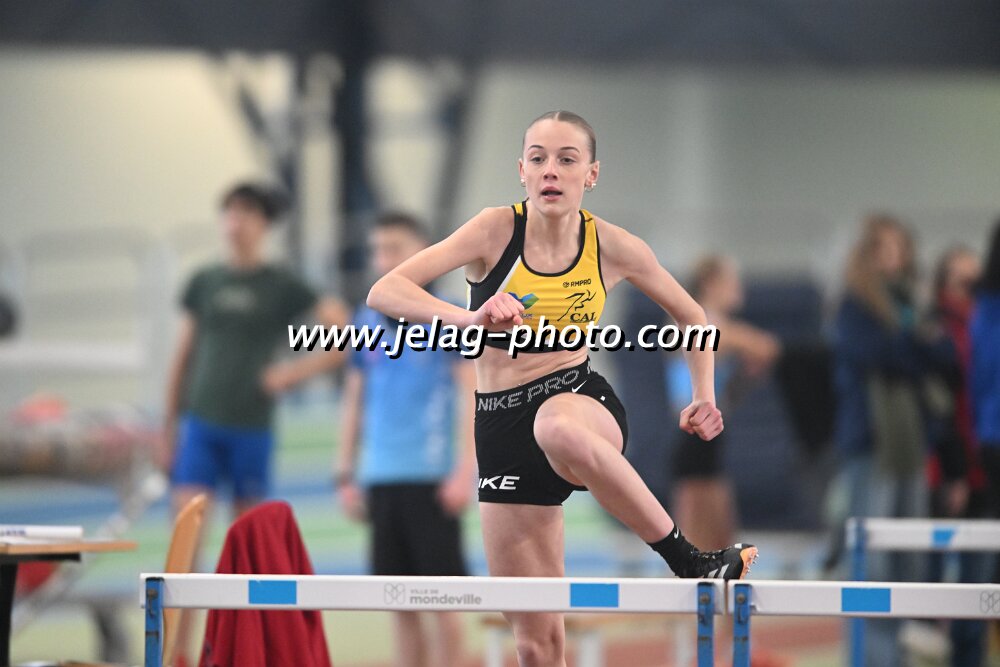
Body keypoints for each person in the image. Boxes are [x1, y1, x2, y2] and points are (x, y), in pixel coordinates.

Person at [367, 111, 757, 666]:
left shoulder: (612, 245)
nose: (551, 170)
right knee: (537, 641)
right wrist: (470, 320)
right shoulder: (493, 230)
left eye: (567, 159)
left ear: (591, 174)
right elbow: (385, 290)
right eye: (538, 158)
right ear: (522, 171)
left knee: (554, 425)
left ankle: (689, 560)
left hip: (579, 399)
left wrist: (703, 394)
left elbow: (693, 316)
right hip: (500, 424)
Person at [159, 182, 347, 665]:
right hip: (201, 426)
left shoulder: (281, 285)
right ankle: (178, 654)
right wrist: (167, 429)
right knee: (186, 546)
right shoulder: (205, 281)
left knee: (247, 547)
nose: (234, 223)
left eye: (244, 213)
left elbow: (343, 334)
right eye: (228, 213)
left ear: (264, 224)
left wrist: (292, 374)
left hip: (251, 430)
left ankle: (241, 653)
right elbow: (182, 356)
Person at [335, 213, 477, 667]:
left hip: (432, 479)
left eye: (394, 248)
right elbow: (354, 401)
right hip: (382, 478)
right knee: (400, 606)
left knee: (445, 606)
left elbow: (471, 396)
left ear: (424, 252)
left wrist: (465, 471)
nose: (384, 258)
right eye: (378, 249)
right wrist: (345, 473)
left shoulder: (451, 316)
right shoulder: (364, 321)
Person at [830, 214, 941, 666]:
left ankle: (897, 656)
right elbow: (889, 354)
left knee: (908, 559)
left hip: (910, 446)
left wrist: (916, 347)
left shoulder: (910, 303)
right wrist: (916, 347)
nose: (893, 257)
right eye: (884, 248)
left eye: (900, 247)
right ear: (868, 255)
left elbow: (935, 357)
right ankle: (869, 657)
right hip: (871, 445)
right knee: (870, 560)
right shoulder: (854, 307)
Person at [667, 255, 780, 552]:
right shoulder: (697, 321)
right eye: (731, 282)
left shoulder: (714, 324)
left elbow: (762, 352)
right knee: (695, 542)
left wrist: (742, 379)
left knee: (719, 540)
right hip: (693, 436)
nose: (738, 288)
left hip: (709, 437)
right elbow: (764, 347)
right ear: (710, 284)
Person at [926, 245, 991, 667]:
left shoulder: (985, 321)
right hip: (949, 467)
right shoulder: (937, 329)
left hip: (985, 465)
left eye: (975, 278)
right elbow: (942, 410)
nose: (969, 286)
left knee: (980, 589)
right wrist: (955, 472)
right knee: (937, 592)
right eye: (961, 279)